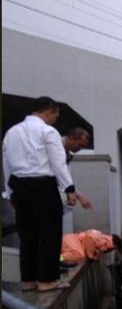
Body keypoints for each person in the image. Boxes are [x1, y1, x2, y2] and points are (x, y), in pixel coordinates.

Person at [2, 97, 77, 292]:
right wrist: (69, 189)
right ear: (49, 112)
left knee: (27, 235)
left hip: (19, 187)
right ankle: (46, 280)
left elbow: (7, 165)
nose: (55, 120)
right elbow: (58, 163)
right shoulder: (48, 131)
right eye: (55, 116)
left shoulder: (12, 132)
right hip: (43, 187)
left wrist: (10, 194)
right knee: (48, 233)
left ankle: (28, 280)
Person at [62, 127, 92, 209]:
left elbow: (65, 175)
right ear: (71, 138)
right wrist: (79, 195)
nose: (80, 149)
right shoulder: (57, 147)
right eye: (80, 145)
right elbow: (60, 173)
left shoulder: (67, 152)